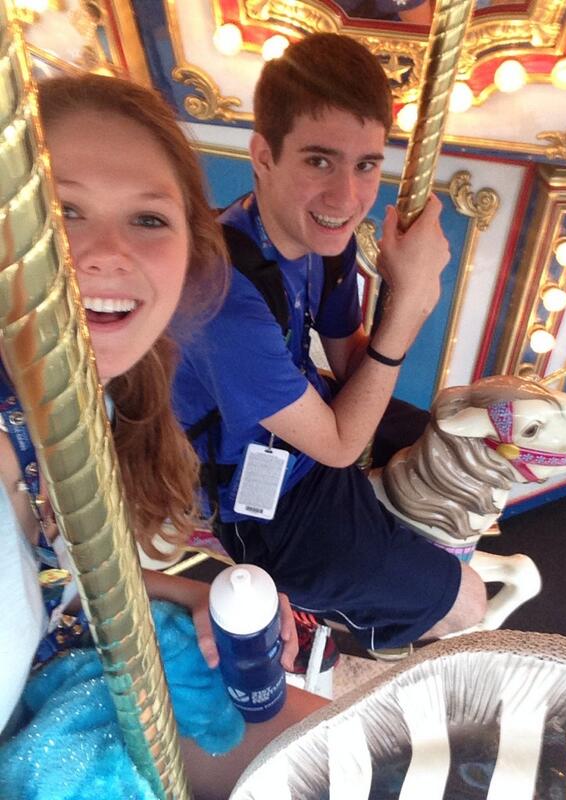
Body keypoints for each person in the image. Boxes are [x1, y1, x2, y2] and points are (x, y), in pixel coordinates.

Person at [0, 74, 325, 800]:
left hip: (65, 670)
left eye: (148, 220)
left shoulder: (90, 405)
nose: (104, 251)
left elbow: (52, 577)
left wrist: (190, 593)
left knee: (372, 748)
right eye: (61, 211)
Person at [173, 32, 487, 655]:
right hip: (258, 498)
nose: (346, 199)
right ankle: (333, 617)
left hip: (308, 430)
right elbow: (343, 445)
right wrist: (414, 299)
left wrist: (401, 296)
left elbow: (349, 359)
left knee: (458, 445)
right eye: (319, 160)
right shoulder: (221, 297)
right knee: (468, 602)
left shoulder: (324, 241)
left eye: (366, 164)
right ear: (263, 155)